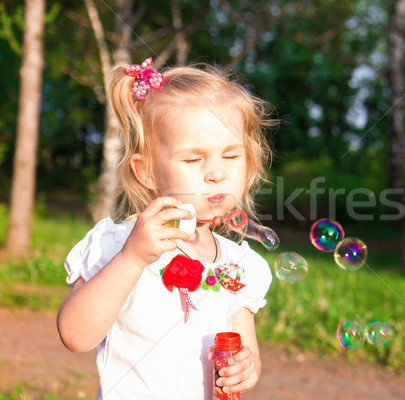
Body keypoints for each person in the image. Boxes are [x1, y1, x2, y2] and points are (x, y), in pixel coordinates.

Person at [57, 58, 275, 399]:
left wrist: (247, 368)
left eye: (231, 156)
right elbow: (75, 335)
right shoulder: (119, 244)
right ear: (146, 172)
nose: (216, 173)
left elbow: (247, 350)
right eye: (193, 159)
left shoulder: (241, 265)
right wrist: (132, 259)